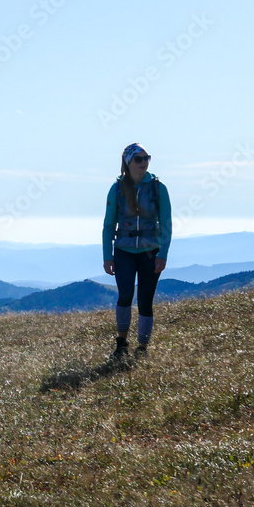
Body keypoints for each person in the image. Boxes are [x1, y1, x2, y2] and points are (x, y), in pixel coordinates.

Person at [102, 143, 172, 360]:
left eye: (147, 158)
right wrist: (107, 256)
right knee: (125, 295)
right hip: (123, 250)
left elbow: (167, 223)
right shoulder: (116, 189)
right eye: (139, 159)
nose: (144, 162)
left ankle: (142, 347)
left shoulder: (158, 188)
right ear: (128, 162)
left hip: (151, 251)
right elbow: (108, 225)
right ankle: (121, 343)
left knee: (145, 299)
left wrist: (163, 254)